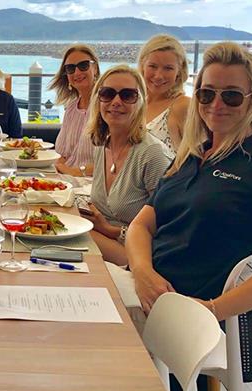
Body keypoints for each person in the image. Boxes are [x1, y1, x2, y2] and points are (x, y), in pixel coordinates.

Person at [126, 42, 252, 320]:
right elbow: (141, 224)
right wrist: (142, 273)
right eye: (206, 94)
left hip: (192, 314)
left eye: (232, 96)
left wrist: (210, 310)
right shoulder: (192, 156)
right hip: (145, 293)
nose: (216, 104)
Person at [83, 65, 171, 266]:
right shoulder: (102, 145)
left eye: (127, 95)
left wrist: (110, 230)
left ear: (141, 102)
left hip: (140, 257)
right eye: (107, 94)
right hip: (104, 245)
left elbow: (168, 227)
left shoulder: (152, 154)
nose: (116, 102)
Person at [137, 34, 191, 159]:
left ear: (179, 72)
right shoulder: (136, 104)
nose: (159, 76)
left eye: (168, 68)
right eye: (153, 66)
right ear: (142, 66)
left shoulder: (183, 106)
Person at [49, 44, 99, 176]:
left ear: (95, 68)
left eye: (83, 65)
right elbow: (64, 156)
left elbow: (114, 162)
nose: (77, 72)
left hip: (90, 185)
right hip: (65, 181)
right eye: (70, 68)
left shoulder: (107, 107)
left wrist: (74, 172)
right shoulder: (71, 108)